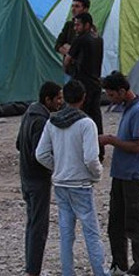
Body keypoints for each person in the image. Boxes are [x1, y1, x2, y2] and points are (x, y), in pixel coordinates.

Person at [35, 80, 109, 276]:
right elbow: (91, 158)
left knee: (66, 233)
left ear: (64, 98)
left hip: (60, 183)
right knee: (91, 232)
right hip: (81, 185)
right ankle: (99, 271)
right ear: (83, 98)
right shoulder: (86, 123)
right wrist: (97, 173)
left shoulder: (52, 122)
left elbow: (41, 154)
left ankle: (68, 272)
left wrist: (58, 166)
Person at [99, 72, 139, 276]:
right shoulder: (127, 109)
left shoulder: (138, 111)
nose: (110, 99)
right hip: (119, 174)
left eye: (112, 95)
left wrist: (111, 140)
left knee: (134, 222)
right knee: (115, 223)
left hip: (132, 175)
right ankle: (119, 264)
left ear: (122, 91)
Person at [16, 81, 63, 276]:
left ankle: (31, 266)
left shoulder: (28, 114)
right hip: (37, 181)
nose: (61, 102)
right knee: (38, 226)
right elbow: (40, 154)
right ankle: (33, 269)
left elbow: (19, 144)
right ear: (48, 99)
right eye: (58, 98)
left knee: (32, 222)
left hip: (26, 178)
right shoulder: (42, 121)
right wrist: (58, 167)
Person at [64, 12, 105, 161]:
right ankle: (99, 150)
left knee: (81, 118)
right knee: (96, 117)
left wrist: (67, 68)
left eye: (78, 24)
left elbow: (67, 60)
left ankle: (85, 151)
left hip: (83, 84)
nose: (75, 28)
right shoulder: (98, 39)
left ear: (87, 24)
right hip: (95, 82)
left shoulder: (80, 39)